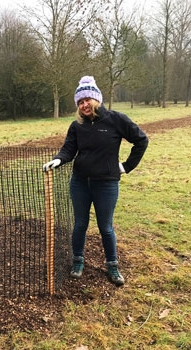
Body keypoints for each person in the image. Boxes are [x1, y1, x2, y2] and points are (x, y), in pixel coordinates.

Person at [43, 76, 148, 286]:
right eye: (80, 102)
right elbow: (69, 149)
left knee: (106, 227)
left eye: (87, 100)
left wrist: (126, 166)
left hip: (106, 184)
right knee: (80, 224)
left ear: (96, 99)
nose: (84, 105)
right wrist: (58, 159)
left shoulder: (116, 120)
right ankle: (78, 261)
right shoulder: (77, 126)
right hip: (80, 183)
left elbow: (141, 140)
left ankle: (112, 265)